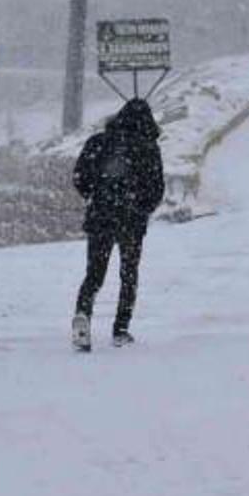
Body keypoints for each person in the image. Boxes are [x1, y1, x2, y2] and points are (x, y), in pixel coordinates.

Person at [71, 98, 165, 351]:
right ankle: (121, 329)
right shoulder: (148, 148)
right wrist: (141, 208)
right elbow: (156, 188)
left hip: (100, 216)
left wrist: (95, 195)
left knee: (94, 274)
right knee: (129, 274)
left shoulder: (99, 142)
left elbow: (80, 177)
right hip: (131, 221)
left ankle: (83, 315)